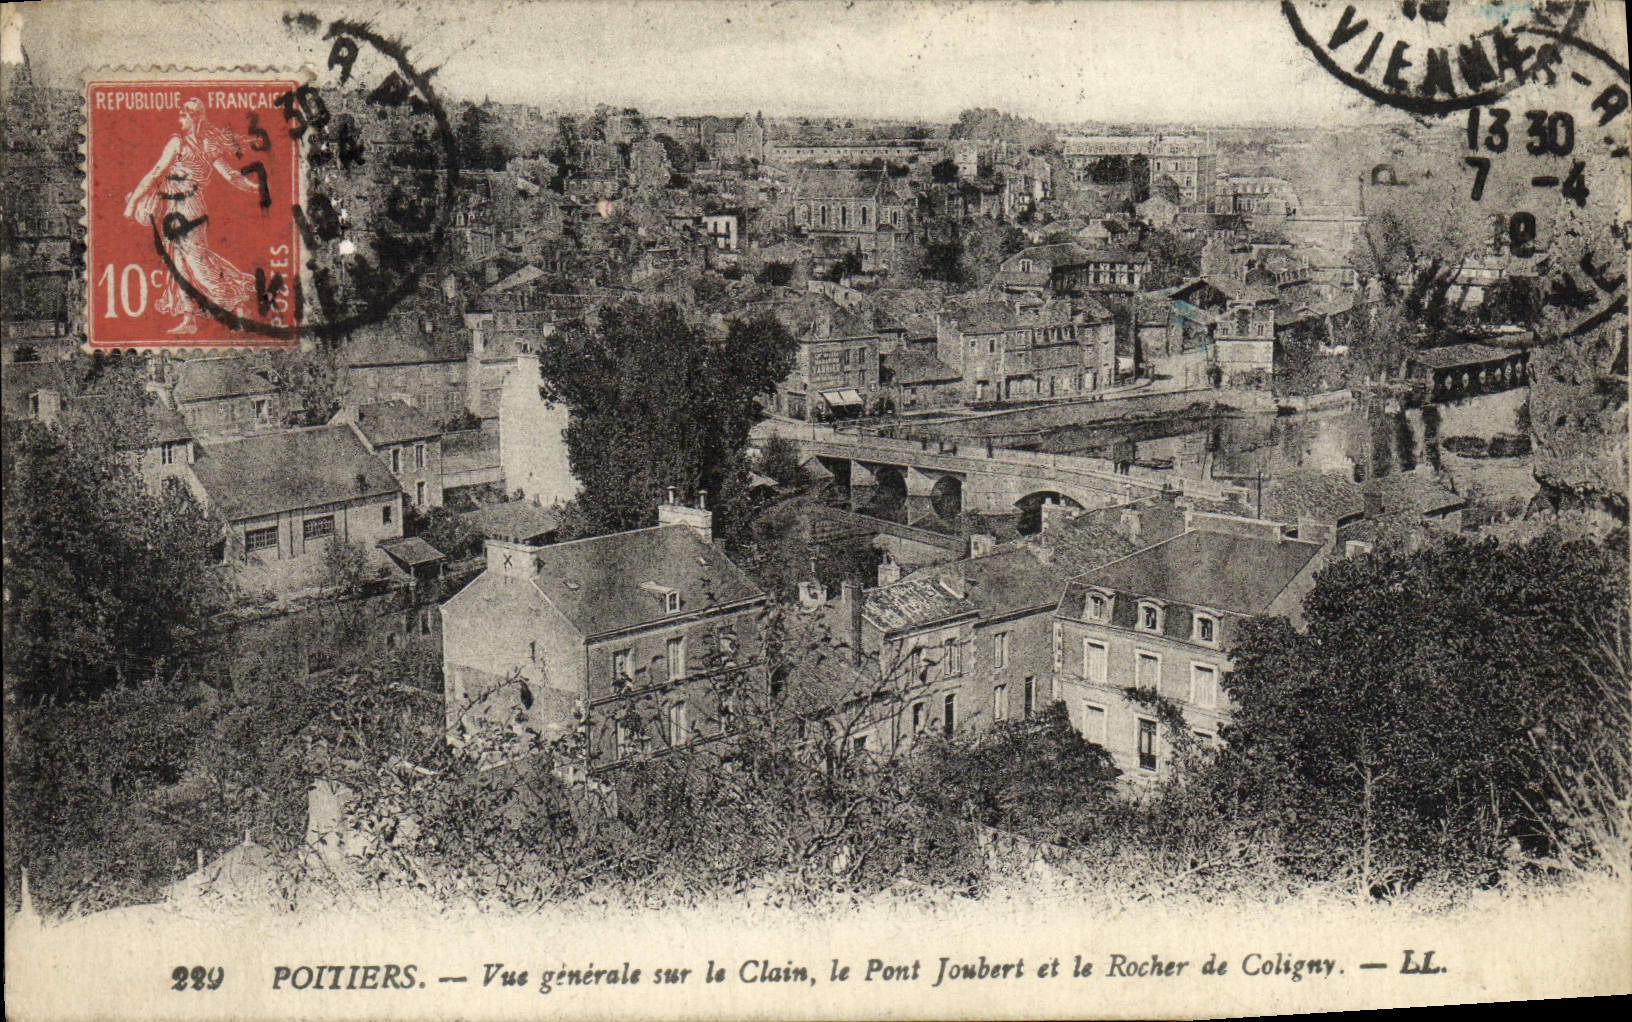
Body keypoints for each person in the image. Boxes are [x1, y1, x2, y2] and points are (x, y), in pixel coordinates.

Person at [123, 97, 259, 334]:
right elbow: (158, 173)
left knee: (197, 264)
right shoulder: (192, 143)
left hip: (190, 209)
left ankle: (235, 306)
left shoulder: (192, 144)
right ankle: (189, 319)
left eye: (184, 115)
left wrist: (133, 201)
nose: (180, 120)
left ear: (194, 117)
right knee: (178, 263)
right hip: (173, 209)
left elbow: (230, 176)